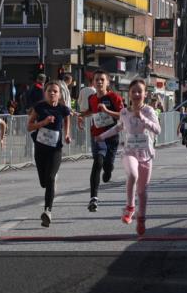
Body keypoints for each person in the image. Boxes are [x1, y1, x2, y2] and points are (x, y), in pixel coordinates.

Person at [96, 78, 162, 237]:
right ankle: (130, 207)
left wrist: (144, 120)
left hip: (145, 154)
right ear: (129, 94)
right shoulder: (124, 112)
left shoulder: (149, 111)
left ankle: (141, 218)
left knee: (142, 191)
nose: (137, 94)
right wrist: (102, 136)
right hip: (129, 152)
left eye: (140, 91)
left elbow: (158, 130)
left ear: (145, 94)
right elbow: (119, 127)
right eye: (134, 91)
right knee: (132, 175)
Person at [27, 81, 72, 226]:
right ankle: (51, 183)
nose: (52, 93)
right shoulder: (39, 108)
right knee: (43, 183)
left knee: (51, 178)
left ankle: (47, 211)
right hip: (40, 148)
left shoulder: (63, 109)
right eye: (49, 91)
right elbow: (29, 126)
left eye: (55, 91)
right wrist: (43, 123)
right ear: (45, 93)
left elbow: (67, 120)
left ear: (59, 95)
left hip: (55, 150)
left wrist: (67, 134)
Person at [82, 71, 123, 212]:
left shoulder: (114, 97)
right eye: (96, 80)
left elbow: (122, 116)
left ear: (107, 83)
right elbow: (91, 111)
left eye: (102, 80)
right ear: (93, 83)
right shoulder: (92, 98)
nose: (99, 82)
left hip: (112, 136)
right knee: (97, 162)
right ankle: (93, 198)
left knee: (107, 166)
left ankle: (109, 169)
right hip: (97, 136)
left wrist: (107, 111)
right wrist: (81, 116)